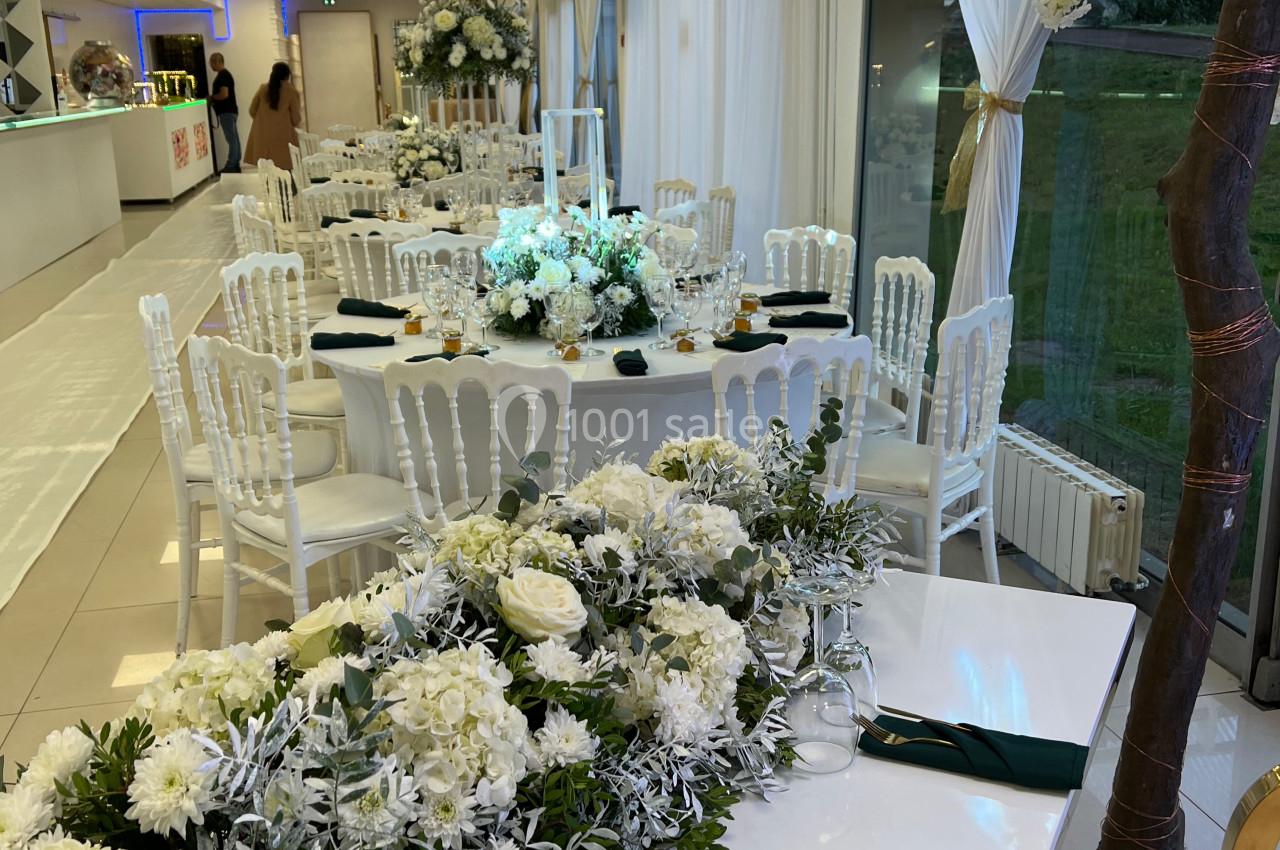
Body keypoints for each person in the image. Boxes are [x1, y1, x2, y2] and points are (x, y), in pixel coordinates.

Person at [243, 62, 301, 171]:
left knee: (267, 173)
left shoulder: (263, 89)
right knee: (285, 173)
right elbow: (296, 118)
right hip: (283, 139)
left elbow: (252, 110)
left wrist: (263, 120)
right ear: (287, 75)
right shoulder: (292, 92)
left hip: (262, 138)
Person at [208, 53, 240, 174]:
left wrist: (212, 98)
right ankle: (235, 163)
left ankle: (231, 165)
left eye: (211, 62)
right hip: (231, 111)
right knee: (234, 138)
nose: (211, 65)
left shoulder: (222, 76)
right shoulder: (226, 75)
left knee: (231, 139)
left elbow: (224, 94)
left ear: (216, 62)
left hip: (226, 112)